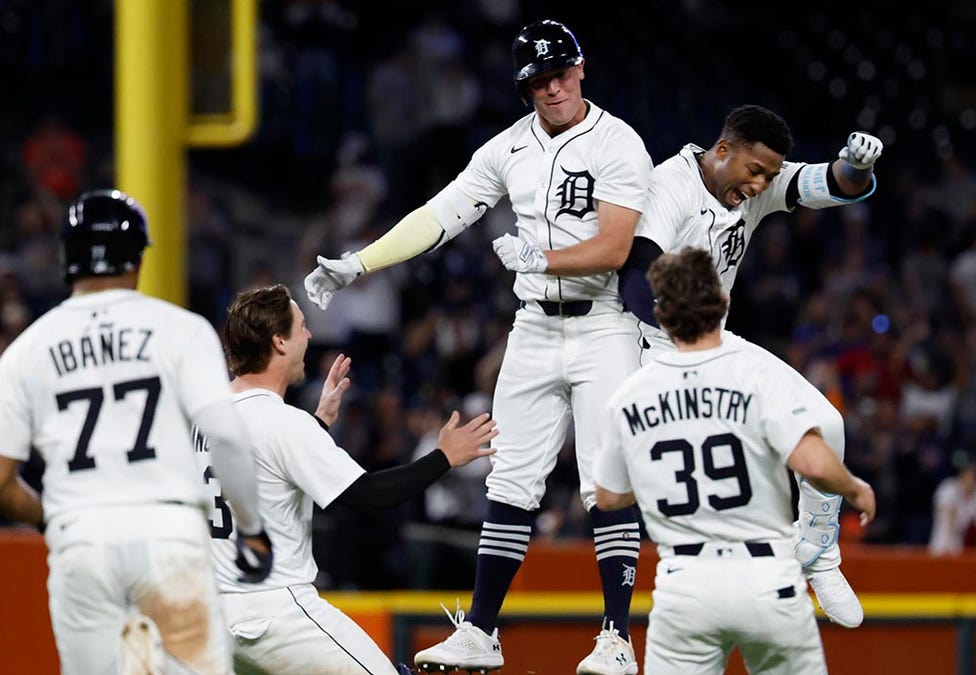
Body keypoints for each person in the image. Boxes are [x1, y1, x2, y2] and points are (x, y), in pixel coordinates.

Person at [304, 20, 651, 675]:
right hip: (534, 326)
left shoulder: (618, 142)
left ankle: (615, 636)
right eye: (538, 80)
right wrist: (360, 262)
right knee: (509, 478)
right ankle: (482, 630)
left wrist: (540, 258)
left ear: (580, 70)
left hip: (603, 323)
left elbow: (616, 247)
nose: (552, 88)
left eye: (560, 73)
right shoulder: (508, 147)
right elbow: (440, 216)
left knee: (609, 480)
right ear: (524, 89)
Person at [0, 190, 273, 674]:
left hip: (81, 540)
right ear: (137, 256)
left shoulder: (27, 349)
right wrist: (253, 530)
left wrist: (51, 519)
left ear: (67, 256)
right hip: (169, 535)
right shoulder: (182, 329)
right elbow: (228, 438)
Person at [617, 105, 883, 627]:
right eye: (754, 171)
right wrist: (680, 333)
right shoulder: (670, 186)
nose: (761, 184)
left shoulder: (752, 184)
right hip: (656, 350)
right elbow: (634, 276)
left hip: (715, 344)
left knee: (826, 424)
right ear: (723, 150)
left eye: (769, 174)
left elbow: (832, 183)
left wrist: (859, 167)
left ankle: (817, 551)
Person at [595, 247, 877, 674]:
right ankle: (818, 551)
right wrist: (854, 487)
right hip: (767, 577)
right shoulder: (757, 374)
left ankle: (820, 557)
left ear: (662, 317)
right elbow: (813, 463)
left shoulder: (629, 396)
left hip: (684, 586)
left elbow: (608, 498)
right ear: (723, 302)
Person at [195, 283, 498, 674]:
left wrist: (318, 423)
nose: (309, 335)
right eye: (301, 326)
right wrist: (442, 458)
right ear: (279, 342)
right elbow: (366, 496)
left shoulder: (201, 418)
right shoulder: (282, 422)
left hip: (216, 617)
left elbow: (263, 468)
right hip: (277, 611)